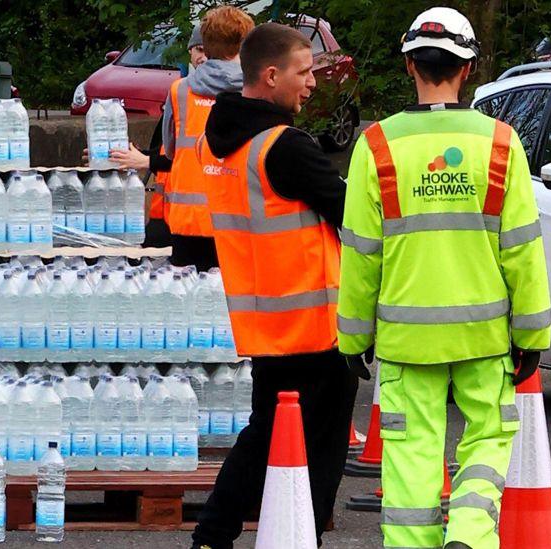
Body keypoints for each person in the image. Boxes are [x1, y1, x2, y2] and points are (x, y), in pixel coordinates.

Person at [338, 7, 550, 549]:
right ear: (471, 67)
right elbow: (522, 253)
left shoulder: (377, 146)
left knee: (411, 460)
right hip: (484, 337)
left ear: (409, 64)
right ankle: (472, 534)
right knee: (487, 440)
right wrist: (531, 337)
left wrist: (353, 337)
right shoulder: (502, 143)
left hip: (406, 341)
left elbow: (361, 254)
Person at [191, 22, 356, 548]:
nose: (311, 83)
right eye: (304, 72)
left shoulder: (214, 145)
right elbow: (355, 217)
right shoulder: (284, 148)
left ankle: (219, 535)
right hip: (313, 326)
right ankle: (286, 535)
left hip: (264, 322)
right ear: (270, 75)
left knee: (266, 436)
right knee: (311, 447)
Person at [162, 6, 253, 270]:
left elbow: (169, 151)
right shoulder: (254, 91)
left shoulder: (179, 91)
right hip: (237, 221)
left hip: (186, 221)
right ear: (244, 45)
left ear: (205, 46)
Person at [109, 25, 208, 248]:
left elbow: (197, 159)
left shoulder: (220, 99)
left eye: (210, 52)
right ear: (190, 52)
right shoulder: (180, 95)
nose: (203, 58)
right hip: (165, 213)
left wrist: (145, 161)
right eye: (199, 50)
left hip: (197, 223)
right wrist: (123, 157)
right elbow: (167, 152)